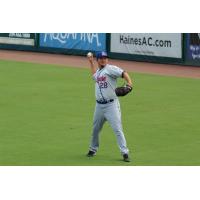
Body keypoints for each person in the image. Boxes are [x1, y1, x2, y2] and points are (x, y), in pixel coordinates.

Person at [86, 51, 133, 162]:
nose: (104, 59)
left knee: (117, 129)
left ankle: (125, 152)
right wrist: (91, 62)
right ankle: (93, 149)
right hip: (99, 107)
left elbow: (123, 73)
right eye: (101, 58)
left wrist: (130, 83)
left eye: (105, 58)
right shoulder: (98, 72)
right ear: (98, 60)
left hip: (111, 106)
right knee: (95, 129)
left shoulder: (110, 69)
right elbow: (94, 76)